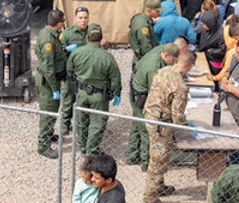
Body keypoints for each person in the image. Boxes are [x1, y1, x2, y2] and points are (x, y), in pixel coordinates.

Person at [143, 50, 195, 203]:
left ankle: (159, 186)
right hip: (160, 125)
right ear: (190, 66)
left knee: (161, 153)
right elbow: (177, 116)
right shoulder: (180, 86)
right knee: (158, 160)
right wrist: (188, 127)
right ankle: (149, 198)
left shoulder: (163, 70)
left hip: (150, 116)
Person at [67, 24, 121, 156]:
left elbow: (69, 71)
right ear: (101, 38)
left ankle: (83, 147)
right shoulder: (107, 57)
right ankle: (92, 151)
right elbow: (116, 78)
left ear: (87, 37)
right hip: (99, 95)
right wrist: (117, 93)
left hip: (81, 92)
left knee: (81, 120)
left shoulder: (76, 53)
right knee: (97, 123)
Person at [126, 42, 183, 170]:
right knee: (147, 129)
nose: (173, 64)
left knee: (137, 124)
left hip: (137, 92)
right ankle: (146, 163)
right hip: (141, 97)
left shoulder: (160, 49)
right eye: (173, 61)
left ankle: (132, 155)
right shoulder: (154, 66)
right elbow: (156, 91)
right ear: (167, 55)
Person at [35, 9, 67, 159]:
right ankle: (43, 146)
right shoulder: (48, 39)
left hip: (49, 80)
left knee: (52, 111)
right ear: (59, 23)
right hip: (48, 82)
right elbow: (48, 68)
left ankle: (48, 134)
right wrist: (55, 88)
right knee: (48, 112)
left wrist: (64, 50)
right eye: (63, 21)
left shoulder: (47, 33)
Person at [60, 6, 92, 133]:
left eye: (85, 18)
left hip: (87, 73)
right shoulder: (67, 34)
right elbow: (59, 52)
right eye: (80, 18)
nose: (83, 21)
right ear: (75, 18)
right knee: (68, 99)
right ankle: (65, 124)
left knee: (85, 99)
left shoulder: (92, 32)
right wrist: (66, 49)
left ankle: (83, 125)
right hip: (72, 73)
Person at [129, 0, 161, 69]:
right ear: (149, 10)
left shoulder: (139, 18)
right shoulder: (143, 26)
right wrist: (152, 60)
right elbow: (145, 46)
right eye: (157, 11)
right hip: (144, 59)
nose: (159, 13)